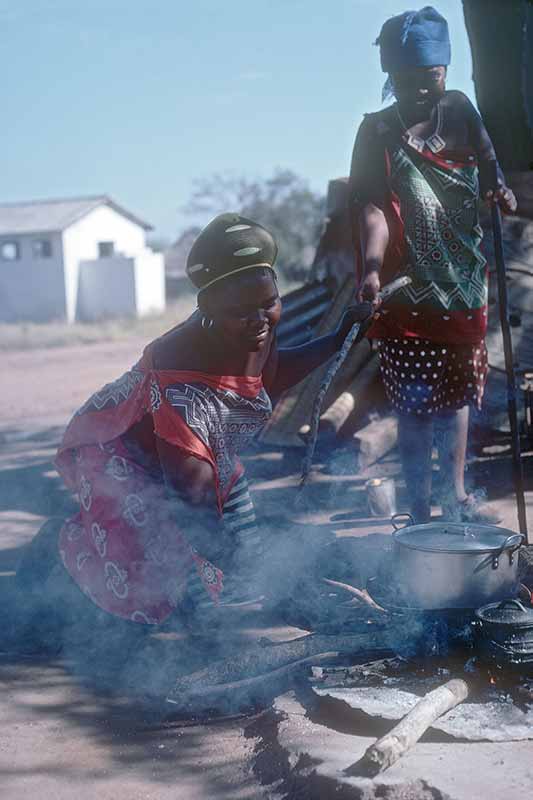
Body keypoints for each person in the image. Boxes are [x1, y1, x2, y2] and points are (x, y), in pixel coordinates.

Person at [18, 213, 371, 647]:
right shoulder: (183, 388)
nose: (260, 319)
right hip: (127, 462)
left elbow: (270, 374)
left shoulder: (249, 333)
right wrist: (268, 577)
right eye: (241, 312)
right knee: (153, 587)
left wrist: (339, 338)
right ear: (207, 309)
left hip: (201, 457)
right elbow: (194, 505)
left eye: (269, 302)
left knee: (237, 560)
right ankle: (56, 562)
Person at [348, 6, 517, 524]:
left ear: (445, 70)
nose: (423, 87)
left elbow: (488, 166)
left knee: (459, 397)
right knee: (416, 408)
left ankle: (457, 494)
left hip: (462, 283)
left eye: (432, 75)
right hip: (406, 290)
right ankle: (421, 508)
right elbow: (373, 208)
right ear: (389, 77)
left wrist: (499, 189)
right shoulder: (376, 131)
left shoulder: (462, 110)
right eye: (408, 78)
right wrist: (373, 269)